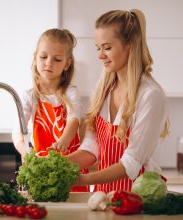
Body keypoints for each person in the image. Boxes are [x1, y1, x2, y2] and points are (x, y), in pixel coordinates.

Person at [66, 9, 170, 193]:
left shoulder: (150, 95)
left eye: (107, 47)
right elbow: (92, 147)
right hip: (101, 198)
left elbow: (131, 163)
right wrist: (58, 164)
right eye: (98, 48)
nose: (100, 55)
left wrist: (82, 179)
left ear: (129, 45)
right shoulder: (103, 89)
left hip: (136, 199)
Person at [12, 28, 88, 192]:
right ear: (35, 57)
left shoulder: (70, 92)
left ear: (67, 64)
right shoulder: (29, 97)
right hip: (42, 169)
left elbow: (74, 119)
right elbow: (17, 131)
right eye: (44, 57)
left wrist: (64, 141)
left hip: (71, 167)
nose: (48, 63)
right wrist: (25, 151)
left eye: (57, 59)